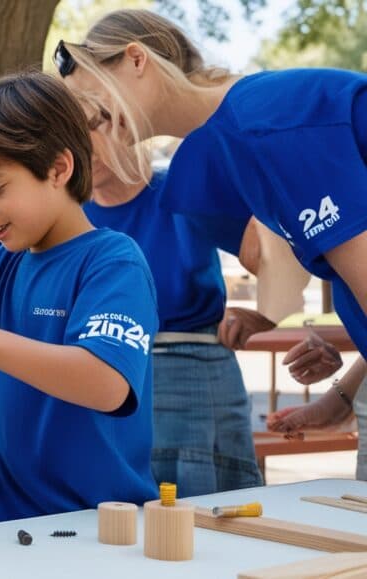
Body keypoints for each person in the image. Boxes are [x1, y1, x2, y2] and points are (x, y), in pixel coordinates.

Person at [56, 7, 367, 472]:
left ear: (136, 60)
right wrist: (345, 394)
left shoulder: (267, 122)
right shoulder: (228, 143)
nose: (89, 119)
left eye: (91, 95)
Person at [0, 71, 158, 524]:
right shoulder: (0, 268)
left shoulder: (114, 263)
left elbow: (106, 383)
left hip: (96, 529)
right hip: (0, 529)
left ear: (59, 168)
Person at [83, 123, 261, 496]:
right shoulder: (71, 216)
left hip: (187, 369)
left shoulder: (183, 189)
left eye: (93, 126)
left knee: (199, 519)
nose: (83, 145)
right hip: (96, 380)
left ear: (128, 123)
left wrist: (267, 312)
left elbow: (272, 244)